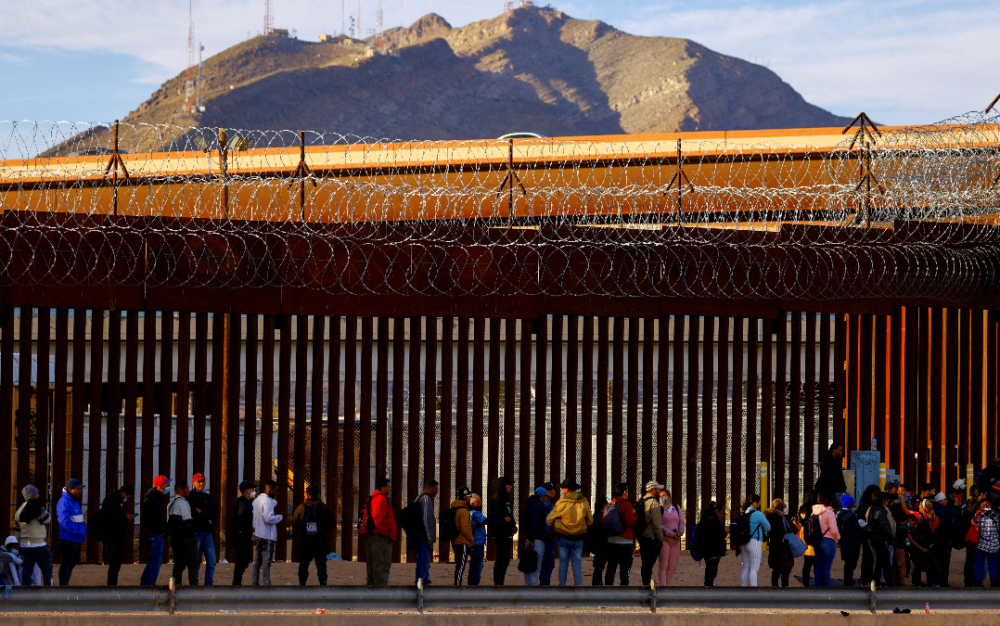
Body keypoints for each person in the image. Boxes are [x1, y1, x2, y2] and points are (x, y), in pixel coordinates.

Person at [546, 479, 593, 586]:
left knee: (563, 562)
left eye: (563, 488)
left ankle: (562, 586)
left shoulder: (561, 503)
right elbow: (590, 521)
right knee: (577, 562)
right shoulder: (584, 502)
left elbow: (549, 519)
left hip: (563, 537)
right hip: (579, 537)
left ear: (567, 489)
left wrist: (556, 526)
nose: (562, 490)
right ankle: (578, 586)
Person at [292, 484, 334, 585]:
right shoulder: (324, 508)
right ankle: (322, 582)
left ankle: (302, 582)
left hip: (305, 542)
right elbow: (332, 525)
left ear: (307, 494)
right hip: (320, 542)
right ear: (318, 494)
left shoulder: (301, 508)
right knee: (321, 564)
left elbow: (295, 523)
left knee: (304, 564)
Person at [93, 485, 134, 585]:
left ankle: (112, 583)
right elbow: (114, 520)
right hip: (114, 536)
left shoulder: (112, 500)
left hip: (113, 535)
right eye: (127, 497)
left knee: (115, 562)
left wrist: (123, 516)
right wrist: (125, 519)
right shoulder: (113, 501)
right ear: (124, 493)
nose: (126, 500)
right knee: (115, 562)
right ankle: (112, 584)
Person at [359, 477, 395, 586]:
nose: (390, 489)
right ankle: (380, 593)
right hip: (380, 538)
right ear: (383, 488)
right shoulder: (381, 499)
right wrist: (384, 532)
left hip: (373, 536)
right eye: (388, 487)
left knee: (372, 564)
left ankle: (371, 591)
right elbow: (377, 517)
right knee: (382, 565)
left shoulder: (372, 497)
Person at [14, 484, 52, 586]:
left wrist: (20, 543)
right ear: (32, 495)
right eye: (36, 493)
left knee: (27, 569)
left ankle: (27, 591)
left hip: (25, 545)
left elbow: (17, 531)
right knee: (47, 568)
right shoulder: (38, 508)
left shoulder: (19, 512)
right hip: (39, 543)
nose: (38, 495)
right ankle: (49, 589)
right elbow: (47, 519)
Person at [140, 475, 171, 586]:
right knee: (155, 562)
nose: (168, 486)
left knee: (152, 561)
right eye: (167, 484)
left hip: (153, 534)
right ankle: (149, 585)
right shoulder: (155, 500)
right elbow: (155, 519)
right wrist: (163, 531)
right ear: (160, 486)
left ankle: (144, 585)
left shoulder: (152, 498)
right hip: (156, 535)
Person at [603, 483, 637, 586]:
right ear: (624, 492)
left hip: (611, 540)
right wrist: (635, 514)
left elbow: (603, 521)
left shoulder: (609, 505)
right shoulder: (627, 504)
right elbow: (630, 521)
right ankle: (624, 591)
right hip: (625, 541)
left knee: (611, 567)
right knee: (624, 568)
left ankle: (608, 589)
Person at [188, 473, 218, 586]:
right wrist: (206, 514)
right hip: (195, 532)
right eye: (199, 481)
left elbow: (214, 514)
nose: (201, 483)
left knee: (211, 561)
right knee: (194, 561)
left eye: (203, 481)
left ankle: (208, 584)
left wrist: (201, 512)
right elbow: (192, 514)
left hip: (207, 532)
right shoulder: (190, 497)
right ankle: (194, 584)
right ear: (193, 483)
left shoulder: (208, 497)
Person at [252, 479, 283, 586]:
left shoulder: (256, 501)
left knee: (257, 562)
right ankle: (266, 583)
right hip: (267, 535)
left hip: (259, 535)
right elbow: (268, 518)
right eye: (275, 490)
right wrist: (280, 517)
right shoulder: (267, 501)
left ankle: (255, 582)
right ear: (270, 489)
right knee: (266, 561)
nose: (276, 493)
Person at [56, 478, 86, 585]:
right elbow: (64, 520)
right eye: (78, 489)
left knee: (71, 563)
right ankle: (63, 586)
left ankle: (65, 584)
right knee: (67, 563)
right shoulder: (65, 501)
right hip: (69, 538)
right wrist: (77, 531)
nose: (80, 491)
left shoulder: (73, 501)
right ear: (71, 489)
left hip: (75, 538)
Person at [168, 481, 199, 585]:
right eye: (187, 489)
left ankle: (176, 586)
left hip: (176, 539)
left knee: (179, 564)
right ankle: (193, 587)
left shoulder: (171, 503)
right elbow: (188, 521)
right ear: (182, 491)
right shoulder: (183, 503)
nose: (189, 491)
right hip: (185, 539)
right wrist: (192, 537)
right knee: (193, 563)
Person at [488, 477, 516, 585]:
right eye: (509, 485)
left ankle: (501, 582)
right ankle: (498, 583)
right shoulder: (497, 498)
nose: (511, 487)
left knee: (505, 559)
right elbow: (499, 516)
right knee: (501, 559)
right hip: (501, 533)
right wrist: (506, 521)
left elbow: (508, 514)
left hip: (506, 533)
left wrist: (512, 526)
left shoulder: (504, 498)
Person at [520, 487, 550, 585]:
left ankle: (527, 584)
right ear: (542, 496)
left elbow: (523, 522)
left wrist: (528, 536)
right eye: (545, 496)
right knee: (536, 562)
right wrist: (532, 537)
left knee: (528, 562)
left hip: (529, 538)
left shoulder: (528, 506)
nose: (546, 498)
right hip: (537, 538)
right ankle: (534, 585)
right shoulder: (540, 506)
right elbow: (536, 522)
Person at [636, 481, 664, 586]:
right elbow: (657, 524)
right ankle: (646, 586)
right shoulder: (653, 503)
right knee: (648, 564)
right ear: (653, 490)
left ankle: (645, 583)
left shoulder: (642, 500)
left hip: (641, 536)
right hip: (651, 538)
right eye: (658, 489)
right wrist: (660, 539)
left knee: (645, 563)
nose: (660, 491)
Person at [739, 494, 771, 586]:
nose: (760, 504)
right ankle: (754, 591)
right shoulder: (758, 514)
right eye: (759, 502)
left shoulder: (744, 514)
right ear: (755, 503)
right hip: (754, 542)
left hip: (743, 542)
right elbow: (768, 527)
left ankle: (743, 589)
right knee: (754, 569)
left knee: (746, 567)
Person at [412, 479, 439, 586]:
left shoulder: (419, 499)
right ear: (430, 489)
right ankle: (422, 581)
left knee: (422, 560)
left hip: (419, 535)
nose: (437, 492)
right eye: (436, 489)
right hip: (423, 537)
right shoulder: (426, 499)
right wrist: (429, 538)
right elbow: (425, 520)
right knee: (423, 560)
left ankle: (424, 580)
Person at [811, 492, 840, 587]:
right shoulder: (829, 513)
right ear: (830, 502)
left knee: (818, 567)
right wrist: (838, 538)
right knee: (826, 567)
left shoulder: (814, 512)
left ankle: (818, 587)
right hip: (828, 541)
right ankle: (827, 588)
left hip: (817, 541)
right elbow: (834, 530)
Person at [231, 481, 256, 585]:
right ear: (247, 491)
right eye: (252, 489)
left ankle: (237, 582)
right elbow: (240, 520)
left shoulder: (245, 503)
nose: (254, 491)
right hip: (241, 536)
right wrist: (250, 528)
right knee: (242, 561)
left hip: (242, 535)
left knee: (243, 561)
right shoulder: (243, 504)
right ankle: (236, 583)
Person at [866, 491, 893, 587]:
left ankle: (876, 581)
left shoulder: (872, 510)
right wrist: (891, 538)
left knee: (879, 562)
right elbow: (885, 528)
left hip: (875, 539)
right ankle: (884, 582)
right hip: (882, 540)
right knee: (884, 563)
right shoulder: (881, 512)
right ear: (883, 500)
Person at [697, 501, 728, 586]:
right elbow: (719, 534)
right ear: (716, 511)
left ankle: (707, 586)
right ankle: (708, 587)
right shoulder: (714, 520)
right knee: (712, 570)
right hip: (714, 549)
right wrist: (725, 532)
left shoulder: (704, 519)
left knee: (709, 569)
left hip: (706, 549)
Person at [765, 498, 793, 587]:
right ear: (781, 508)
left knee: (775, 572)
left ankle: (774, 591)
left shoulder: (769, 518)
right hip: (784, 547)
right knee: (785, 572)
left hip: (774, 547)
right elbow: (793, 529)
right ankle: (784, 594)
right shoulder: (783, 519)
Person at [658, 489, 684, 586]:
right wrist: (670, 533)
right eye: (660, 496)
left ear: (669, 497)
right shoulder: (659, 509)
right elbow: (658, 525)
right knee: (663, 565)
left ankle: (665, 586)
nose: (662, 498)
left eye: (663, 495)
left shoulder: (676, 508)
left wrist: (680, 532)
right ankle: (663, 587)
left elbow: (681, 521)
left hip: (675, 541)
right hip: (664, 539)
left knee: (672, 566)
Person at [450, 487, 474, 585]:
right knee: (461, 565)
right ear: (465, 497)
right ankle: (457, 584)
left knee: (459, 563)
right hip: (462, 541)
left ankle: (457, 582)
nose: (470, 498)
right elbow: (465, 528)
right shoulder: (463, 511)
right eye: (469, 496)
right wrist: (472, 540)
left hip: (455, 540)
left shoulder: (454, 508)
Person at [973, 498, 1000, 587]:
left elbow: (973, 525)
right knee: (993, 567)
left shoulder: (978, 514)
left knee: (979, 566)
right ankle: (994, 585)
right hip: (994, 545)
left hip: (980, 544)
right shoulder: (996, 515)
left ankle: (977, 585)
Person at [836, 494, 863, 587]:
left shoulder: (840, 514)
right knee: (851, 563)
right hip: (852, 542)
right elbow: (857, 529)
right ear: (850, 504)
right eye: (854, 503)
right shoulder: (850, 516)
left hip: (844, 542)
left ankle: (847, 581)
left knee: (847, 563)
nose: (855, 504)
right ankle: (848, 582)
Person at [856, 484, 879, 586]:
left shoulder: (862, 505)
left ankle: (866, 579)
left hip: (865, 534)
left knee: (867, 557)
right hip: (870, 534)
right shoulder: (869, 506)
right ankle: (870, 579)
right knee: (871, 557)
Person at [930, 491, 954, 585]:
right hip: (944, 540)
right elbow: (949, 526)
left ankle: (934, 580)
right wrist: (951, 538)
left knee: (934, 561)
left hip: (933, 539)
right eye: (944, 499)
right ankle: (943, 582)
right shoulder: (945, 511)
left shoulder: (930, 509)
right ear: (939, 501)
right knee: (944, 562)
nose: (946, 501)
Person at [586, 496, 609, 586]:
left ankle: (597, 582)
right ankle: (597, 583)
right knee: (600, 566)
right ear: (603, 506)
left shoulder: (593, 517)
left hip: (595, 545)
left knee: (598, 565)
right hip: (602, 544)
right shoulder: (602, 517)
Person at [539, 482, 557, 586]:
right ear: (547, 492)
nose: (555, 492)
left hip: (549, 536)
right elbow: (545, 521)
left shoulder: (548, 504)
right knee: (548, 562)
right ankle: (545, 584)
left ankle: (544, 583)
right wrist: (549, 534)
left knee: (547, 562)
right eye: (553, 490)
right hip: (548, 537)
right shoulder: (546, 504)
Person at [467, 493, 488, 586]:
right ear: (473, 503)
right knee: (477, 565)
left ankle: (473, 583)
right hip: (477, 543)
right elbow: (485, 521)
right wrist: (501, 520)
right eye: (478, 502)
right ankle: (474, 584)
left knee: (474, 564)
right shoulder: (475, 513)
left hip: (473, 543)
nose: (480, 504)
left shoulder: (469, 513)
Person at [796, 504, 815, 585]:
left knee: (807, 566)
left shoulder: (807, 523)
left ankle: (806, 582)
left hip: (807, 548)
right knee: (813, 566)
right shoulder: (811, 521)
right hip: (811, 548)